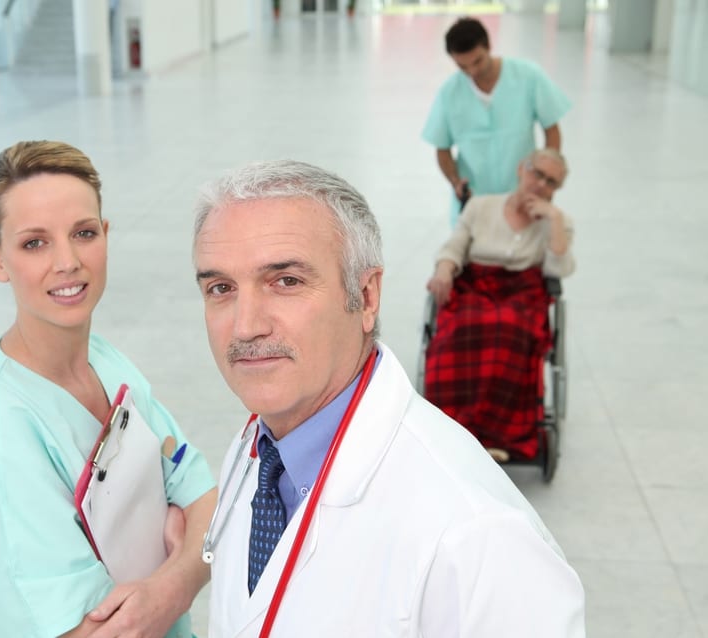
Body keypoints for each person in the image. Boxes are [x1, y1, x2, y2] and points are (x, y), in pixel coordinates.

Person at [191, 159, 585, 637]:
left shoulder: (475, 534)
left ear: (367, 295)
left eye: (286, 281)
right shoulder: (259, 446)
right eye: (220, 288)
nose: (246, 325)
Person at [0, 140, 216, 638]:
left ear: (106, 236)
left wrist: (167, 584)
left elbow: (207, 503)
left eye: (83, 233)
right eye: (34, 243)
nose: (67, 262)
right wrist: (181, 566)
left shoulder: (106, 362)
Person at [424, 148, 575, 462]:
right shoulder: (481, 206)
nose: (541, 184)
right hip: (475, 285)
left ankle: (497, 436)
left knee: (507, 329)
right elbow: (455, 246)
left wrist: (555, 219)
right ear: (522, 169)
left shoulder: (557, 222)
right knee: (462, 329)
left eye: (551, 182)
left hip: (523, 293)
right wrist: (444, 268)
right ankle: (452, 431)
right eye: (537, 173)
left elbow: (557, 270)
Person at [422, 16, 571, 226]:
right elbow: (442, 149)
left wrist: (546, 180)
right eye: (462, 66)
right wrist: (455, 181)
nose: (472, 72)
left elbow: (551, 129)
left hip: (523, 193)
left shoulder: (528, 76)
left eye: (477, 61)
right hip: (474, 200)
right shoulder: (449, 92)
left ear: (489, 46)